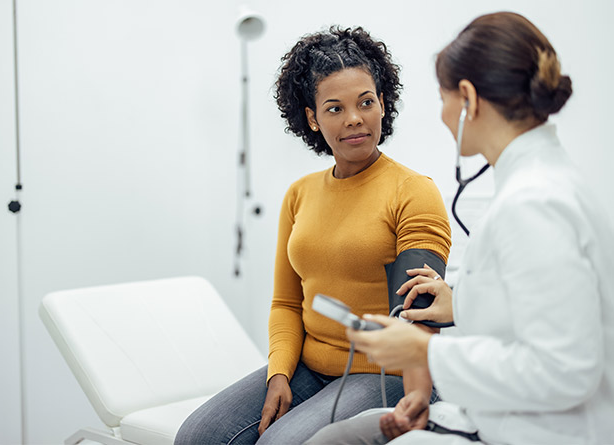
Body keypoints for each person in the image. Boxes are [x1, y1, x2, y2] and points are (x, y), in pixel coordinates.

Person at [306, 11, 614, 445]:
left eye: (443, 98)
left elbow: (566, 369)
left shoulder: (533, 204)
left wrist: (425, 351)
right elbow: (542, 311)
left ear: (468, 98)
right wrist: (462, 304)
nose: (444, 115)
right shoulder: (543, 184)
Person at [174, 26, 451, 444]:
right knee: (199, 435)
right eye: (335, 108)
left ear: (382, 104)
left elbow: (416, 318)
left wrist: (417, 394)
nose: (354, 118)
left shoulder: (412, 191)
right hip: (308, 366)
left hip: (384, 371)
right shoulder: (299, 195)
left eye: (366, 102)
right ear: (312, 118)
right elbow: (286, 302)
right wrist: (279, 374)